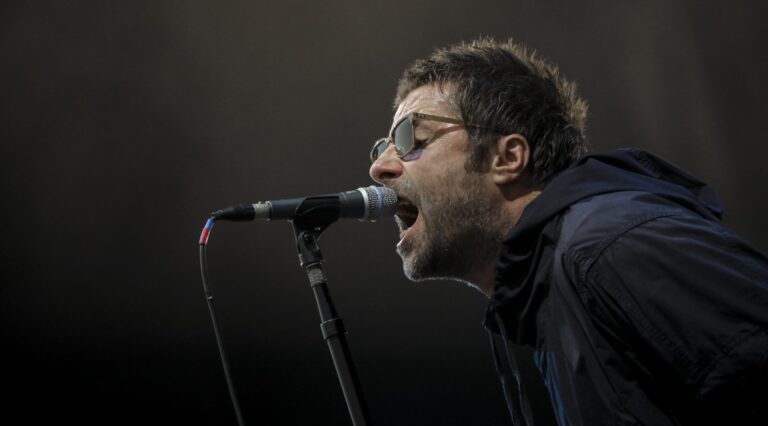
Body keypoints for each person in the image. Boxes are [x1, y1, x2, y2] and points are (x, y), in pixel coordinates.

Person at [368, 37, 768, 426]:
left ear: (507, 158)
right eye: (382, 146)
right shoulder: (557, 289)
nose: (379, 167)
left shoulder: (610, 244)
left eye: (409, 137)